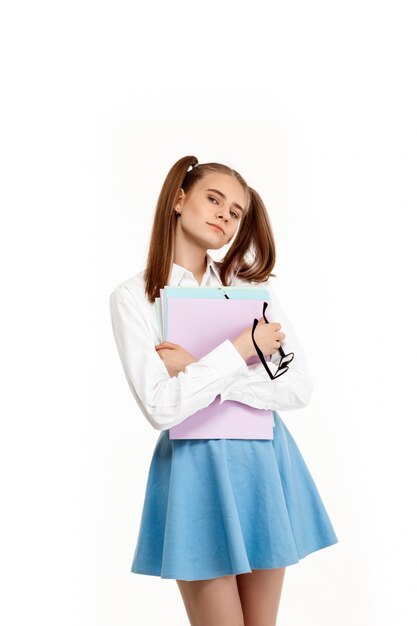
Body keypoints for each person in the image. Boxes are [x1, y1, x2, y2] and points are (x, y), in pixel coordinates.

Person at [109, 155, 338, 626]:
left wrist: (199, 367)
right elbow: (161, 405)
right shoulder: (134, 298)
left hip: (264, 460)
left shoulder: (249, 290)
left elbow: (297, 388)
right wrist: (240, 352)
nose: (224, 216)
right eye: (214, 199)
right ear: (178, 199)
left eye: (235, 212)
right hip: (195, 467)